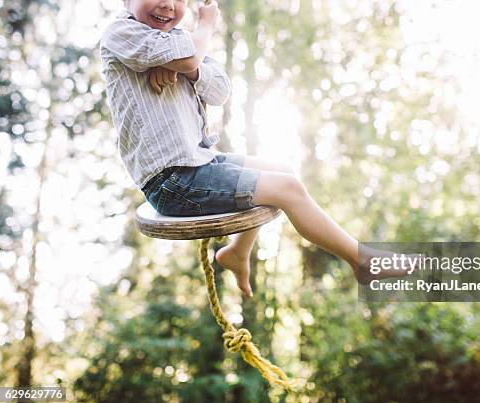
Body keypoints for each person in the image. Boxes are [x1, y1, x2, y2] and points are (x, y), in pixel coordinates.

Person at [101, 0, 421, 298]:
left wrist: (188, 66)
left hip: (199, 162)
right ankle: (360, 259)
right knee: (288, 189)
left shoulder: (180, 41)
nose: (169, 4)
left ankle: (238, 251)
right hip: (172, 180)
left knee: (281, 169)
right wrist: (205, 28)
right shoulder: (121, 32)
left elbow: (219, 90)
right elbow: (187, 54)